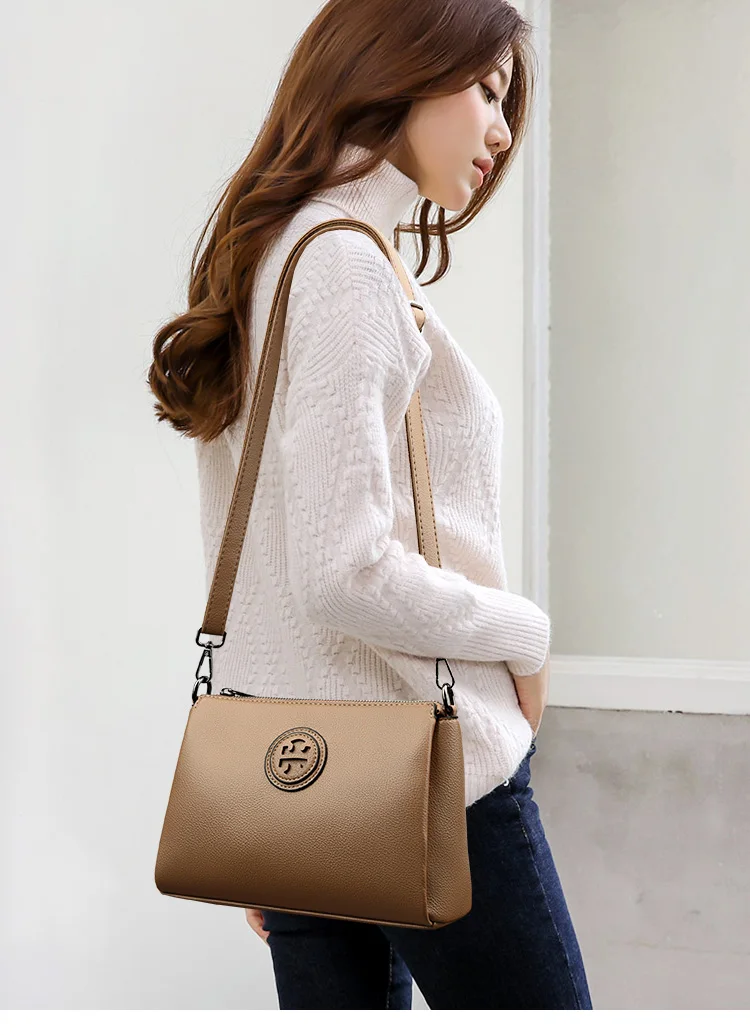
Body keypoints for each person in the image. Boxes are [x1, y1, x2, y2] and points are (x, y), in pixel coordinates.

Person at [148, 0, 592, 1011]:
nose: (501, 130)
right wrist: (524, 635)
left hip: (293, 776)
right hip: (428, 771)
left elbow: (261, 558)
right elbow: (341, 570)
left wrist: (266, 813)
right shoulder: (345, 265)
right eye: (487, 90)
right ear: (403, 63)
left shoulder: (272, 254)